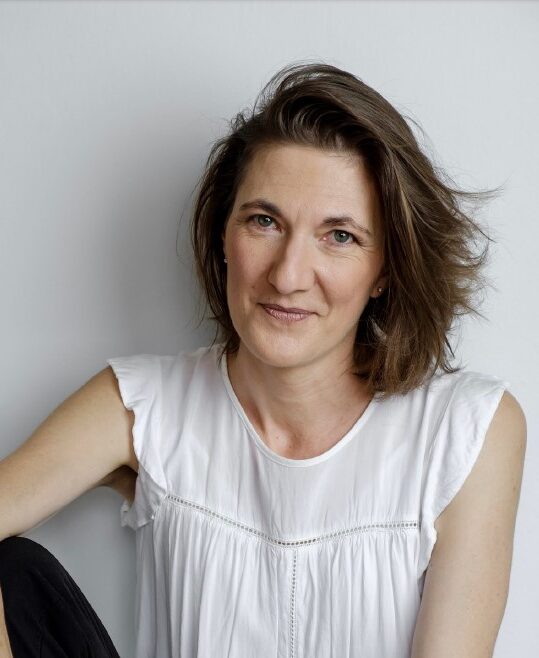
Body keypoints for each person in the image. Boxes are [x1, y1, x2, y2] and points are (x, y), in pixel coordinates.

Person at [0, 61, 526, 658]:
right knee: (16, 572)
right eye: (264, 221)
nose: (288, 275)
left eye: (340, 236)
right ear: (224, 235)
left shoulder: (467, 431)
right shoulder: (142, 405)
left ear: (385, 270)